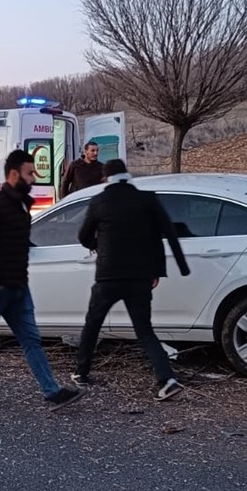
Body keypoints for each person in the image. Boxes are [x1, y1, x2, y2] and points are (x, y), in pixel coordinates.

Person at [0, 149, 84, 412]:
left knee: (31, 340)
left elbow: (20, 240)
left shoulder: (22, 204)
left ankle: (52, 392)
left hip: (18, 286)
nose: (33, 178)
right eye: (29, 173)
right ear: (14, 174)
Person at [71, 159, 191, 400]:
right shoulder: (147, 199)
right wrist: (166, 269)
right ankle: (166, 379)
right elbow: (166, 233)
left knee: (93, 324)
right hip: (140, 278)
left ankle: (81, 371)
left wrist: (98, 246)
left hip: (108, 276)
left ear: (105, 178)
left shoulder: (99, 202)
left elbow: (83, 236)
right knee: (145, 330)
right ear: (127, 175)